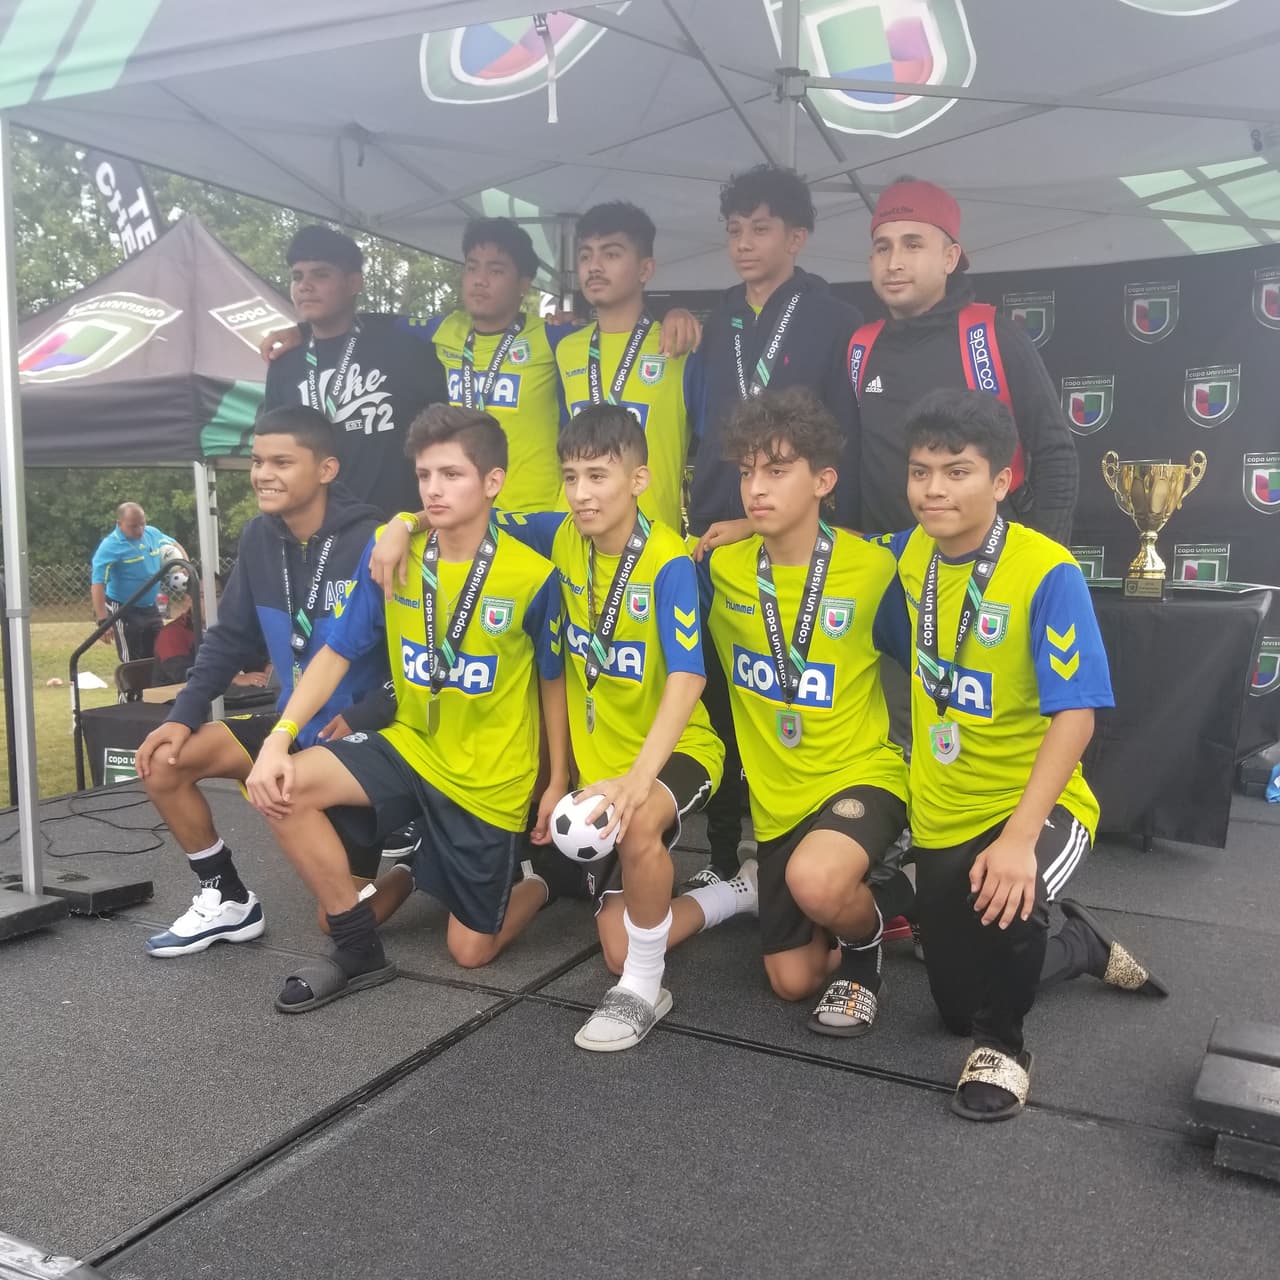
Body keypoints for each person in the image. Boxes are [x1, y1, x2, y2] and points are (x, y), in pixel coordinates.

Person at [370, 405, 733, 1051]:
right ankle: (730, 892)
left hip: (675, 752)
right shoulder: (556, 533)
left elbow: (688, 678)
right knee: (611, 939)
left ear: (639, 480)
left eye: (599, 475)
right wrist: (399, 525)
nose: (582, 493)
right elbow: (460, 511)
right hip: (594, 771)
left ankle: (644, 988)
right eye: (571, 477)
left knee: (637, 840)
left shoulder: (669, 562)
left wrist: (637, 780)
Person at [877, 389, 1164, 1122]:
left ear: (1002, 480)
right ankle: (1081, 945)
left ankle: (1004, 1049)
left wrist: (1018, 838)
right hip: (943, 811)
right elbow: (819, 547)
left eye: (957, 472)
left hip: (1036, 806)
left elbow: (1077, 715)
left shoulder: (1046, 571)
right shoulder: (907, 554)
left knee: (1012, 902)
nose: (934, 490)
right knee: (953, 1007)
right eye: (920, 472)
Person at [244, 405, 567, 1011]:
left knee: (471, 952)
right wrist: (278, 739)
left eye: (452, 474)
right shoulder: (392, 555)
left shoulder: (533, 574)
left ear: (492, 481)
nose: (433, 490)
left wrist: (556, 782)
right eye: (424, 476)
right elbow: (336, 653)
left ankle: (544, 879)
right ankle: (361, 944)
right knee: (281, 788)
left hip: (488, 777)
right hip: (410, 745)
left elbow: (554, 685)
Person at [136, 406, 394, 957]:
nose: (263, 474)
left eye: (281, 462)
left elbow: (417, 658)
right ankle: (227, 898)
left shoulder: (373, 541)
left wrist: (369, 711)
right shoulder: (258, 537)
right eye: (257, 461)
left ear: (326, 469)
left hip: (357, 739)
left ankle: (412, 870)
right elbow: (229, 638)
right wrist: (183, 715)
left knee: (334, 919)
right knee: (163, 762)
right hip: (288, 729)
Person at [700, 388, 911, 1035]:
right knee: (792, 981)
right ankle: (903, 895)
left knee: (816, 880)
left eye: (777, 469)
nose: (756, 488)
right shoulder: (718, 568)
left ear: (824, 480)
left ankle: (865, 956)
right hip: (777, 807)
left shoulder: (878, 567)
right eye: (746, 472)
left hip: (861, 776)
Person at [686, 164, 866, 886]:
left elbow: (840, 440)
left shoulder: (833, 318)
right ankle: (720, 857)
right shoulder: (718, 318)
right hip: (715, 533)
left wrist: (762, 523)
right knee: (721, 694)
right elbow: (699, 421)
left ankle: (810, 843)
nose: (743, 243)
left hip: (789, 543)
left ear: (797, 237)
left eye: (760, 229)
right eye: (734, 230)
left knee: (788, 690)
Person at [849, 177, 1078, 544]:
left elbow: (1056, 455)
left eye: (913, 245)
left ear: (950, 258)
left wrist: (1040, 560)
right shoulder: (860, 348)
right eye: (882, 247)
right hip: (884, 568)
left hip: (982, 569)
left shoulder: (991, 338)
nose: (894, 263)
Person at [262, 224, 446, 516]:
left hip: (395, 528)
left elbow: (445, 435)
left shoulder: (404, 348)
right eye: (297, 276)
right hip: (314, 530)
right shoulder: (285, 362)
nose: (305, 286)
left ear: (353, 283)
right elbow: (270, 451)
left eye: (320, 274)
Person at [556, 201, 699, 533]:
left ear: (645, 269)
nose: (594, 266)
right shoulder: (566, 349)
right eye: (585, 256)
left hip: (649, 540)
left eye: (611, 254)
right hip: (572, 536)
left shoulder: (679, 345)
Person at [90, 503, 184, 661]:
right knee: (132, 661)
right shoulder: (109, 547)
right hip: (124, 608)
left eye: (142, 524)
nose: (140, 530)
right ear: (119, 524)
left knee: (161, 653)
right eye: (133, 526)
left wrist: (184, 566)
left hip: (150, 606)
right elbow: (98, 583)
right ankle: (132, 679)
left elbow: (174, 545)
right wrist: (103, 621)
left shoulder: (152, 533)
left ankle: (155, 678)